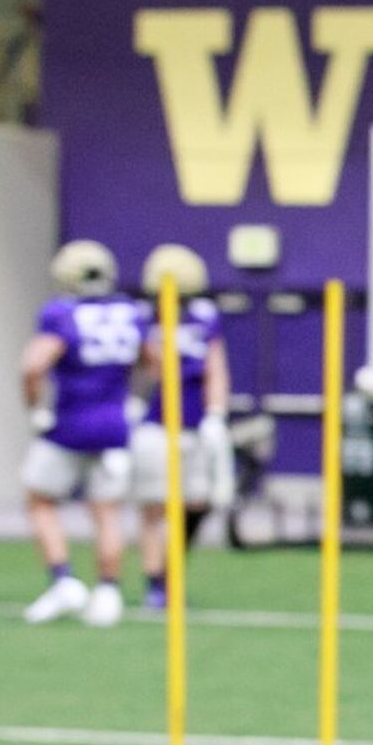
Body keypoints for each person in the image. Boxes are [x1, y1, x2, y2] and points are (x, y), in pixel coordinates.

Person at [20, 240, 144, 627]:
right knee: (107, 512)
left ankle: (64, 580)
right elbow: (153, 359)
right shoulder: (130, 311)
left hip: (70, 423)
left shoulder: (61, 313)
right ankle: (108, 591)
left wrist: (36, 408)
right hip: (114, 425)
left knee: (41, 500)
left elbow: (33, 365)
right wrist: (138, 397)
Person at [133, 244, 232, 610]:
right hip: (155, 425)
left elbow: (215, 368)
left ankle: (171, 571)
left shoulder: (204, 317)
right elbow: (137, 369)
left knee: (197, 502)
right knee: (153, 507)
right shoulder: (142, 318)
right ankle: (155, 583)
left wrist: (216, 413)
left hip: (193, 425)